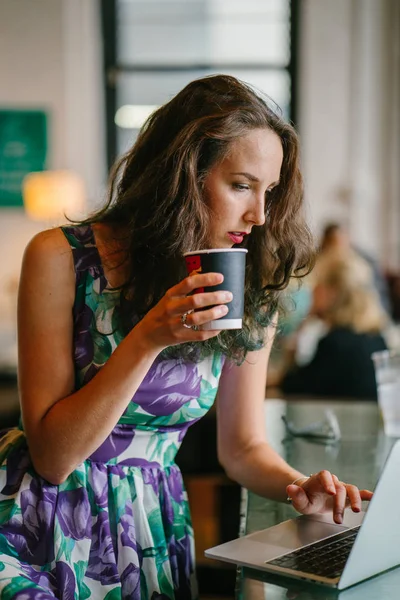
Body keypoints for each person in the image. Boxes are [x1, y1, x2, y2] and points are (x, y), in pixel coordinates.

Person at [0, 75, 373, 600]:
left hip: (149, 526)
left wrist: (299, 486)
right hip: (40, 518)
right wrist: (148, 337)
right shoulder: (61, 259)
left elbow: (242, 448)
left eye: (270, 191)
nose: (260, 215)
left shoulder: (250, 283)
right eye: (242, 185)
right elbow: (54, 459)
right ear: (181, 174)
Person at [281, 253, 388, 399]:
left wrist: (300, 329)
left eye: (317, 284)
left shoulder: (334, 344)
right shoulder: (377, 339)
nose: (312, 291)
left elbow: (292, 386)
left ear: (331, 293)